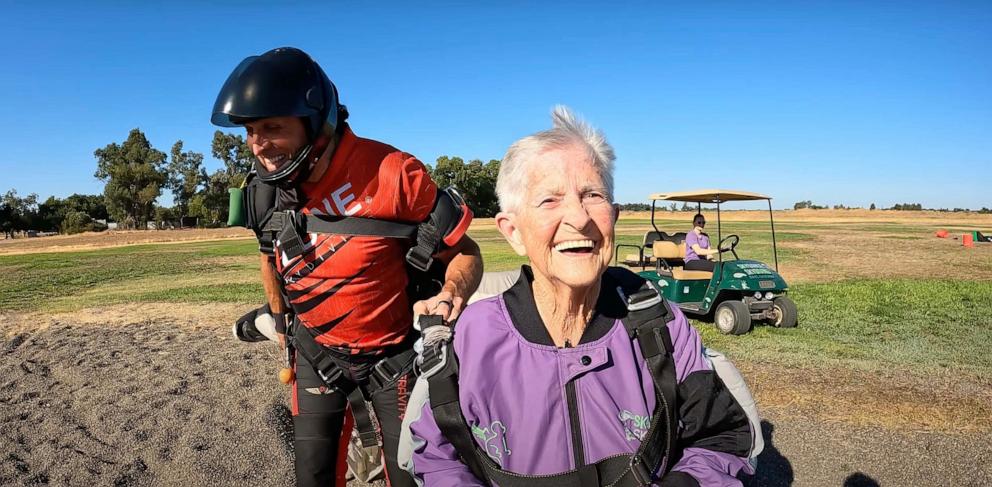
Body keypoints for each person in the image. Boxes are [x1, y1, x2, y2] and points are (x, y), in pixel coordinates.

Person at [406, 107, 754, 486]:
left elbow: (720, 439)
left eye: (592, 194)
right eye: (549, 200)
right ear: (513, 231)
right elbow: (439, 456)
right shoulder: (473, 339)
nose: (579, 217)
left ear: (614, 216)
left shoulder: (660, 326)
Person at [211, 47, 483, 487]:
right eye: (250, 131)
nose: (257, 144)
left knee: (412, 477)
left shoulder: (394, 174)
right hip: (316, 356)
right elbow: (268, 256)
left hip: (394, 360)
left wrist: (451, 292)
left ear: (316, 123)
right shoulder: (261, 194)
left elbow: (466, 252)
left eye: (272, 127)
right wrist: (280, 321)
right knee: (313, 477)